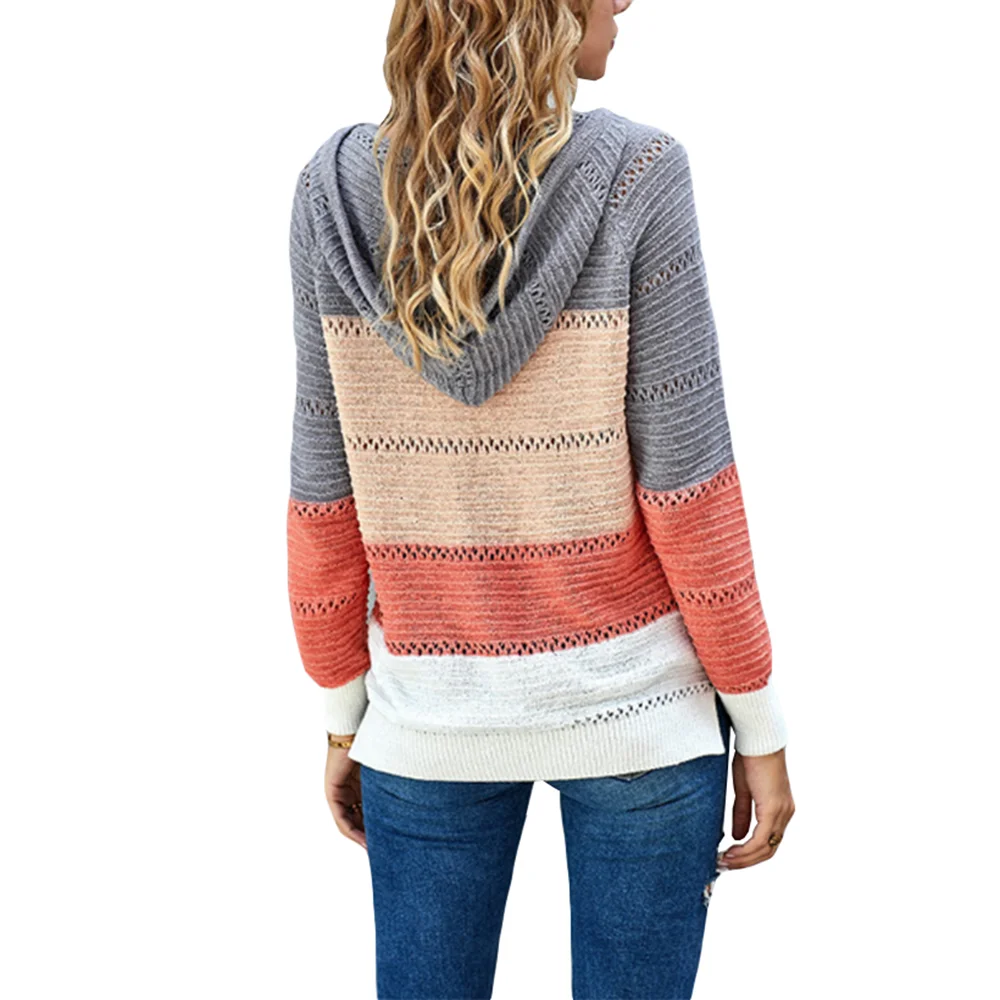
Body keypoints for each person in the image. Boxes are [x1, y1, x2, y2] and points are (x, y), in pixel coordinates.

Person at [286, 1, 795, 996]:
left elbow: (322, 493)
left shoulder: (332, 194)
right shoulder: (638, 175)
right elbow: (689, 490)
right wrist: (760, 723)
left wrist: (345, 713)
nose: (625, 1)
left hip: (424, 721)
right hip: (641, 719)